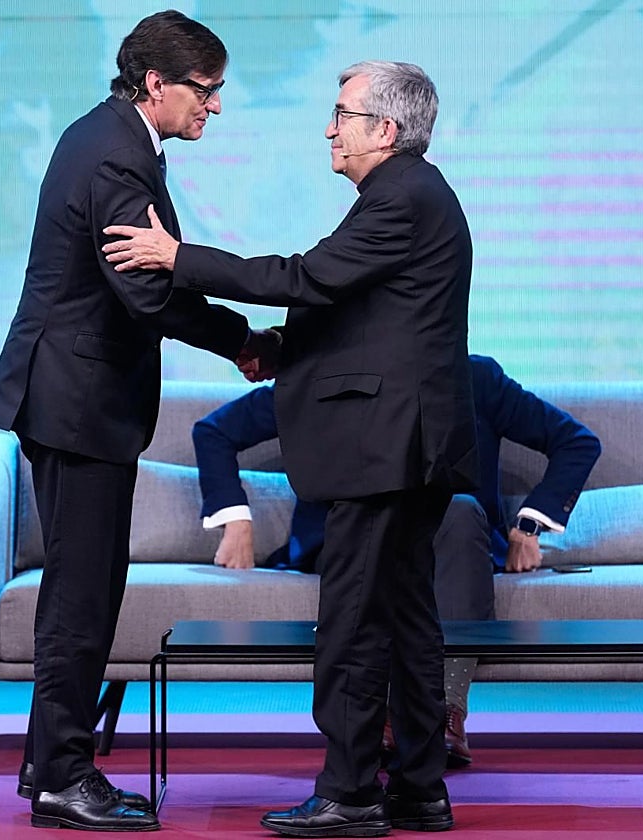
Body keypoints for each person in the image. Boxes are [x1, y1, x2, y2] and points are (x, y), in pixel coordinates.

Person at [104, 60, 476, 837]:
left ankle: (349, 793)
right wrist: (273, 346)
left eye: (342, 113)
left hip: (387, 452)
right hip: (408, 449)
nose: (330, 128)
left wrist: (178, 257)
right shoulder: (408, 195)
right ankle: (417, 786)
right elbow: (353, 311)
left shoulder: (401, 196)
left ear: (385, 129)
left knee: (352, 622)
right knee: (407, 619)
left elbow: (303, 278)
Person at [0, 10, 276, 832]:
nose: (214, 107)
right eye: (206, 90)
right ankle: (64, 780)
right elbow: (147, 289)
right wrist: (243, 341)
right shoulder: (117, 154)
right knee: (83, 593)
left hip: (74, 396)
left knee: (84, 586)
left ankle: (49, 761)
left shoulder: (112, 137)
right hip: (77, 401)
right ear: (157, 83)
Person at [192, 355, 602, 768]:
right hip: (350, 533)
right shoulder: (325, 376)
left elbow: (576, 442)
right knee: (371, 518)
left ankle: (445, 711)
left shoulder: (473, 377)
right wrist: (237, 521)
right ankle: (383, 718)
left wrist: (529, 526)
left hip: (451, 540)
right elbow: (215, 432)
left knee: (457, 509)